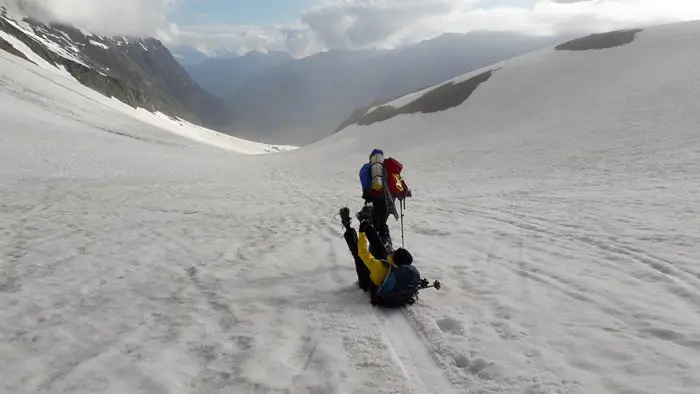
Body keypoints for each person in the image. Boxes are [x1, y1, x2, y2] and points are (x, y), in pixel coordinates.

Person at [339, 206, 423, 307]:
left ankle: (348, 226)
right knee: (379, 246)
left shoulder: (378, 267)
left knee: (358, 255)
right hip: (386, 274)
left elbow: (363, 252)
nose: (393, 251)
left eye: (395, 252)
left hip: (368, 282)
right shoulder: (402, 270)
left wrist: (361, 232)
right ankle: (365, 222)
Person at [358, 149, 412, 250]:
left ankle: (383, 246)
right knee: (380, 224)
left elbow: (363, 176)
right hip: (389, 203)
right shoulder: (389, 169)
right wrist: (401, 194)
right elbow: (398, 186)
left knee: (376, 225)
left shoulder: (368, 167)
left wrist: (367, 192)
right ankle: (383, 245)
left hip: (375, 200)